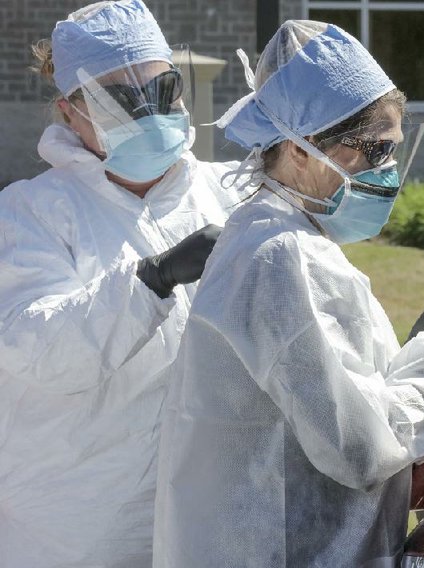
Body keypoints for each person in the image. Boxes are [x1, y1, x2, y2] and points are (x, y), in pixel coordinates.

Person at [153, 20, 424, 567]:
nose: (388, 172)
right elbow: (358, 446)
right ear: (300, 150)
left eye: (394, 151)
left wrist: (416, 343)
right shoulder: (280, 257)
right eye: (375, 151)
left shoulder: (278, 236)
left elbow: (329, 391)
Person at [0, 1, 241, 566]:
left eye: (163, 90)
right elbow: (40, 352)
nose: (150, 112)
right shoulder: (28, 214)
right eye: (120, 98)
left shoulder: (229, 192)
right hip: (79, 523)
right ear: (69, 110)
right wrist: (153, 280)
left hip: (211, 507)